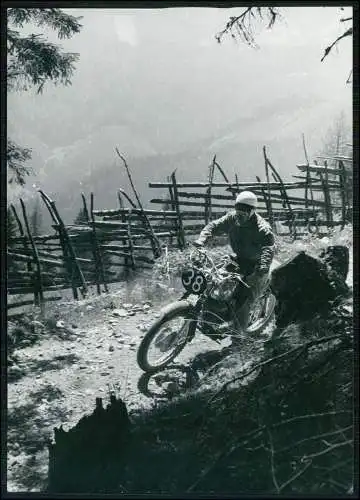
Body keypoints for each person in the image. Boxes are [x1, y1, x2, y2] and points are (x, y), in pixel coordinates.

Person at [193, 190, 275, 340]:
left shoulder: (262, 228)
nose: (240, 214)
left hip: (256, 267)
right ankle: (211, 315)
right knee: (213, 281)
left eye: (245, 211)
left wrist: (263, 266)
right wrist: (201, 240)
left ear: (252, 211)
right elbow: (213, 226)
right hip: (238, 259)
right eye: (238, 209)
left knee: (244, 300)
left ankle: (240, 338)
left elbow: (268, 249)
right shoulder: (232, 218)